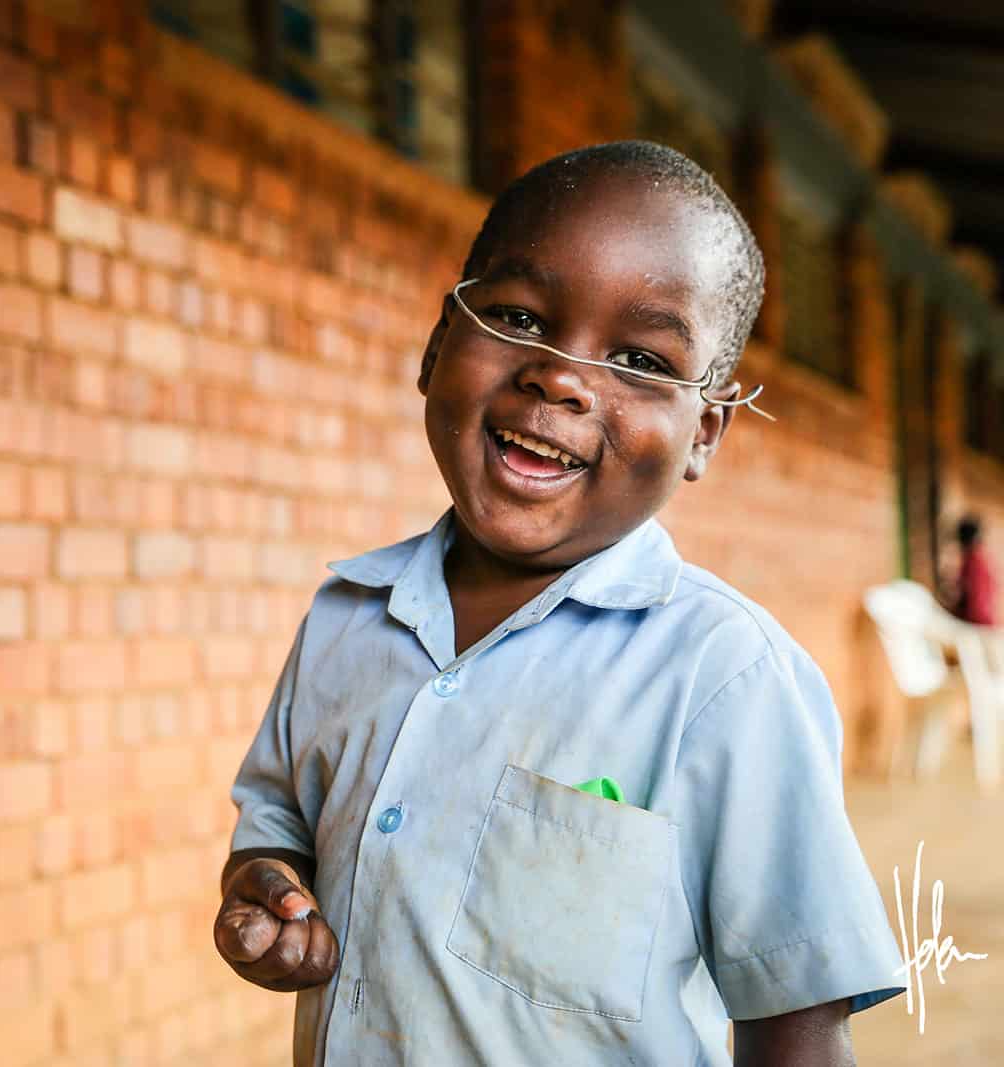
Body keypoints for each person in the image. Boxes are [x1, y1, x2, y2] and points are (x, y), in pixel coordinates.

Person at [214, 141, 905, 1066]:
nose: (561, 377)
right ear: (435, 348)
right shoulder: (346, 617)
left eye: (637, 356)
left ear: (703, 432)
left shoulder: (723, 677)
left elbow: (797, 1025)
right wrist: (269, 890)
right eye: (516, 315)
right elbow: (277, 822)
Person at [951, 515, 995, 625]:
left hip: (978, 621)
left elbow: (976, 599)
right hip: (981, 620)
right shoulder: (978, 558)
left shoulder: (974, 561)